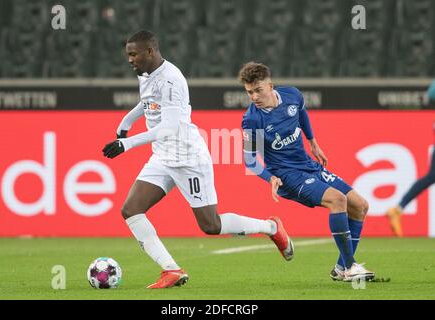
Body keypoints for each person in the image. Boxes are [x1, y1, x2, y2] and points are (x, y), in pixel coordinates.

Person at [102, 31, 294, 289]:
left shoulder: (171, 80)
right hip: (162, 157)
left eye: (133, 54)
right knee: (130, 210)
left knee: (211, 225)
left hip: (187, 157)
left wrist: (126, 143)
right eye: (128, 54)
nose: (130, 59)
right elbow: (147, 103)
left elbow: (169, 127)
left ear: (150, 51)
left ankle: (271, 227)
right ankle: (171, 270)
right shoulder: (146, 74)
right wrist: (125, 122)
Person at [238, 62, 375, 282]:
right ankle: (350, 267)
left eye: (258, 90)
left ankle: (341, 267)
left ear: (271, 85)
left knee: (360, 205)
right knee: (338, 200)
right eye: (249, 92)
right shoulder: (252, 120)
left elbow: (301, 114)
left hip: (308, 165)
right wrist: (270, 177)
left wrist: (313, 142)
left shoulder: (292, 95)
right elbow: (249, 160)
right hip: (288, 176)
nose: (254, 97)